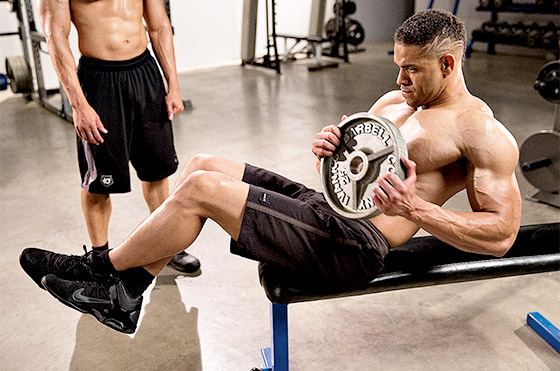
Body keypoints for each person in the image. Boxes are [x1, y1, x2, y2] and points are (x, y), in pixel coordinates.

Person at [21, 10, 522, 334]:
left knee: (197, 190)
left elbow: (501, 235)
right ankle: (125, 294)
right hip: (328, 212)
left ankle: (106, 277)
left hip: (357, 244)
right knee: (202, 165)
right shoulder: (395, 99)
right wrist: (331, 150)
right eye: (398, 66)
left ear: (450, 64)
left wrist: (415, 208)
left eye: (412, 69)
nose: (399, 79)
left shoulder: (479, 131)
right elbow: (354, 172)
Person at [36, 0, 200, 273]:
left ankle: (167, 245)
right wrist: (79, 105)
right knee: (99, 182)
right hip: (99, 81)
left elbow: (159, 27)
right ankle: (99, 261)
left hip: (145, 74)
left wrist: (173, 85)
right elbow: (56, 38)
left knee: (157, 172)